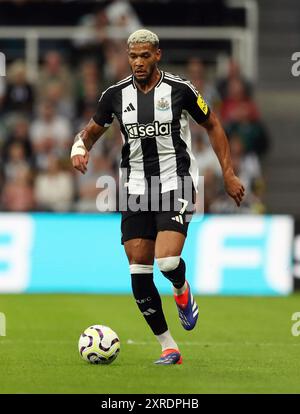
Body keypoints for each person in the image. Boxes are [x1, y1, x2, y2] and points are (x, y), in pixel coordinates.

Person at [70, 29, 245, 365]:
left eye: (144, 55)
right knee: (139, 273)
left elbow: (213, 125)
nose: (138, 62)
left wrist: (228, 173)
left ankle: (181, 290)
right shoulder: (115, 95)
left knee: (166, 262)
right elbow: (90, 132)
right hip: (135, 188)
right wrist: (78, 148)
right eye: (133, 56)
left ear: (157, 55)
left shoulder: (180, 90)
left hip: (175, 182)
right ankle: (169, 347)